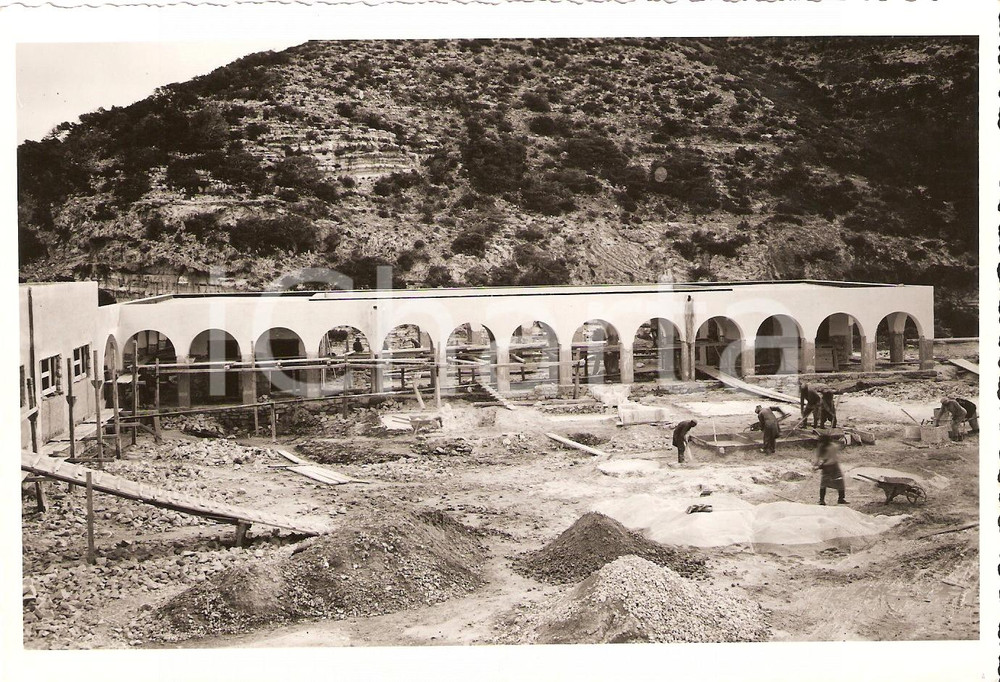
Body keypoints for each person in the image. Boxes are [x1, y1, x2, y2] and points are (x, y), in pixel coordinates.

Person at [813, 435, 847, 505]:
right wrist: (815, 465)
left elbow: (832, 460)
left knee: (839, 481)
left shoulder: (833, 447)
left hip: (834, 465)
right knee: (824, 483)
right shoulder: (820, 446)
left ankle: (841, 499)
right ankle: (821, 500)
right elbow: (817, 457)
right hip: (825, 466)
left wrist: (820, 467)